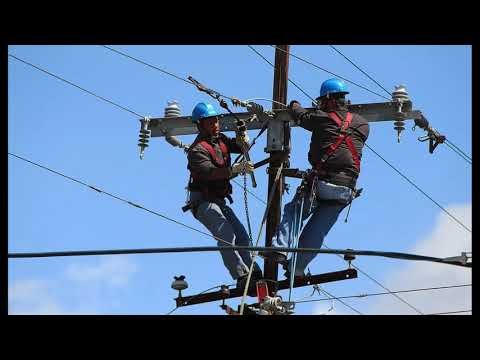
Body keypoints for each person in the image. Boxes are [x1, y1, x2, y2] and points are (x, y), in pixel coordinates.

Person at [265, 78, 370, 279]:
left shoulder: (323, 118)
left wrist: (294, 104)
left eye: (322, 101)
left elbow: (301, 116)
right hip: (346, 188)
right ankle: (297, 268)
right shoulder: (363, 124)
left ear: (329, 99)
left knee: (295, 211)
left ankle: (280, 249)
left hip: (322, 182)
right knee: (318, 230)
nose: (320, 105)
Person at [185, 102, 263, 294]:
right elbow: (210, 172)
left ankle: (254, 273)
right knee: (227, 234)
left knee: (243, 236)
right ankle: (241, 275)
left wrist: (242, 136)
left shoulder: (220, 141)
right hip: (202, 202)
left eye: (216, 121)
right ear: (201, 125)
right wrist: (234, 170)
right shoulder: (197, 151)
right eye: (210, 122)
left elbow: (240, 146)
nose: (215, 125)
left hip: (219, 201)